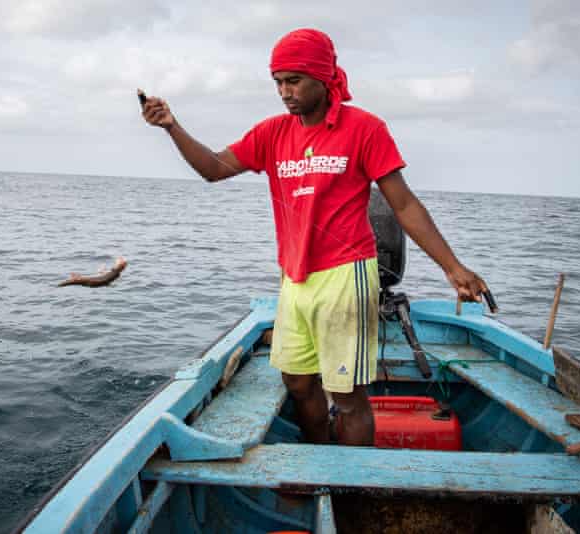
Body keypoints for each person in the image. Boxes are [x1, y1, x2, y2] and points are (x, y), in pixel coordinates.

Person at [141, 28, 488, 446]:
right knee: (299, 383)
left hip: (346, 276)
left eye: (294, 80)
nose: (285, 92)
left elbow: (404, 205)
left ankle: (349, 484)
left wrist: (453, 268)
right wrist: (171, 126)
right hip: (295, 278)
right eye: (278, 82)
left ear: (324, 78)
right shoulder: (272, 133)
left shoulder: (364, 129)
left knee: (346, 395)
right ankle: (318, 463)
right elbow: (214, 167)